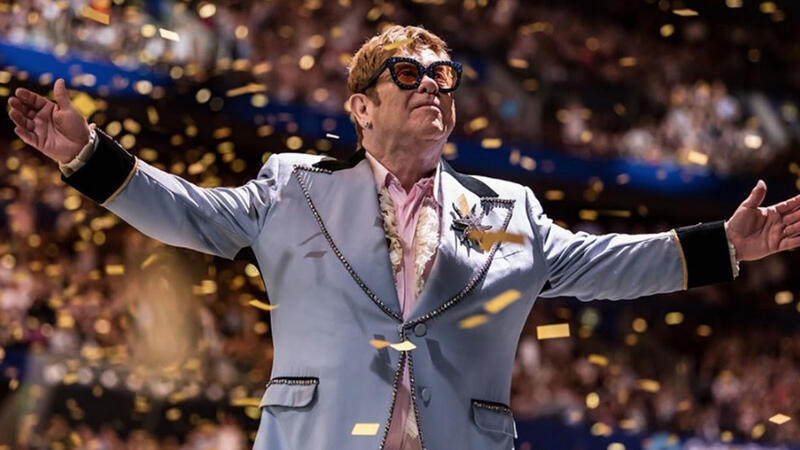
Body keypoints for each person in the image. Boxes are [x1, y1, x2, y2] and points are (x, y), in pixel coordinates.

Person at [7, 25, 800, 450]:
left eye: (443, 76)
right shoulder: (294, 187)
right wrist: (89, 155)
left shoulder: (506, 209)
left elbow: (604, 264)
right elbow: (189, 213)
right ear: (360, 107)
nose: (432, 87)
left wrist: (726, 247)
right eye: (409, 74)